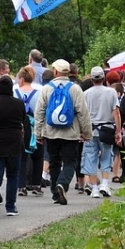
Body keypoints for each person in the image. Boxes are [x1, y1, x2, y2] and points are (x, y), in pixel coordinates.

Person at [33, 59, 91, 206]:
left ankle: (55, 193)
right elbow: (83, 112)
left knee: (54, 162)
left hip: (50, 132)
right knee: (70, 162)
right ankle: (62, 184)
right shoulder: (75, 88)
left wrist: (38, 133)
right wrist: (87, 132)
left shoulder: (47, 88)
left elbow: (39, 112)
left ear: (56, 71)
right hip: (70, 133)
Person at [0, 75, 26, 217]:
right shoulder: (19, 103)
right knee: (13, 175)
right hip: (14, 141)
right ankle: (10, 206)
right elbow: (23, 119)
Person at [81, 66, 121, 198]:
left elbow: (83, 114)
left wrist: (82, 131)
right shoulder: (111, 92)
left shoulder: (86, 94)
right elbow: (116, 112)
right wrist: (118, 130)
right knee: (106, 156)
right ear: (103, 78)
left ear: (92, 79)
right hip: (107, 129)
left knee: (90, 158)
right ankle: (104, 183)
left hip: (91, 129)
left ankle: (94, 188)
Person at [13, 65, 44, 195]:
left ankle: (21, 186)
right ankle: (36, 184)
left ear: (21, 79)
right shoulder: (40, 92)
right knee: (38, 155)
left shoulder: (15, 92)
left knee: (21, 156)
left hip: (19, 126)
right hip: (35, 125)